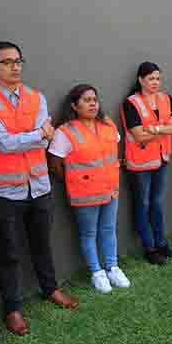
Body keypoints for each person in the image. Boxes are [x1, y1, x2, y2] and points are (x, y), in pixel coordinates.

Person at [0, 41, 78, 336]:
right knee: (9, 251)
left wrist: (13, 139)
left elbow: (44, 140)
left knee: (42, 243)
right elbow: (7, 142)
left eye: (18, 61)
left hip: (39, 184)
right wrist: (28, 136)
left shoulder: (36, 97)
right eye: (7, 62)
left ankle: (50, 289)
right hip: (5, 191)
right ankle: (13, 309)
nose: (15, 67)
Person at [48, 84, 131, 293]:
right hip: (84, 193)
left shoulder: (108, 124)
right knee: (88, 233)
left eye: (94, 99)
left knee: (108, 229)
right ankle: (97, 272)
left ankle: (112, 267)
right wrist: (73, 180)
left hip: (110, 188)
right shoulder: (65, 132)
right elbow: (55, 163)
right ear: (74, 105)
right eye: (86, 100)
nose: (93, 103)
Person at [120, 61, 172, 265]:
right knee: (143, 204)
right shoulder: (131, 103)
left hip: (161, 159)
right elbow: (139, 136)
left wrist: (156, 130)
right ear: (140, 80)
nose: (155, 82)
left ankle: (162, 243)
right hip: (140, 164)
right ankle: (150, 248)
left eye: (158, 78)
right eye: (151, 78)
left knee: (156, 204)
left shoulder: (166, 98)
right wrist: (167, 127)